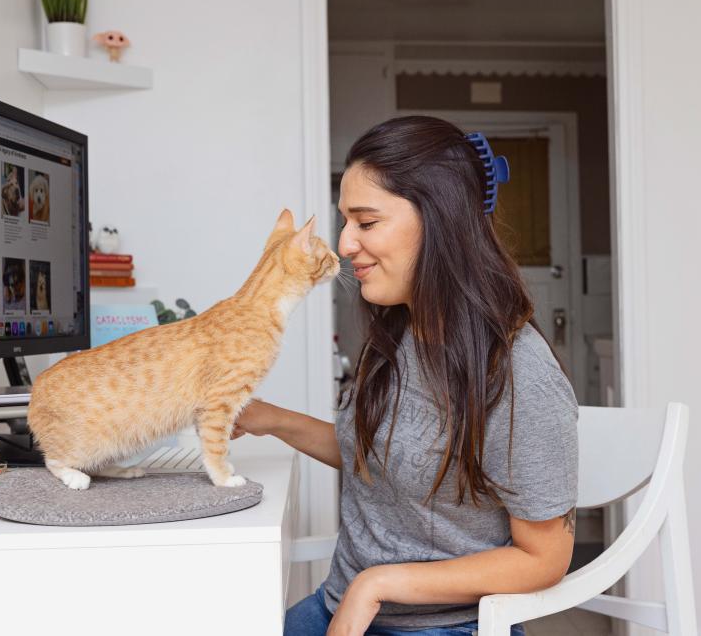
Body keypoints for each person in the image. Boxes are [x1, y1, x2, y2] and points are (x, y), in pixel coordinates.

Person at [233, 116, 578, 636]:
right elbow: (378, 457)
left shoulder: (517, 372)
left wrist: (377, 585)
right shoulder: (397, 333)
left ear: (441, 222)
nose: (345, 244)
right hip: (342, 605)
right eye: (345, 222)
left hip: (446, 625)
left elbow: (544, 559)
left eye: (366, 223)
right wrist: (268, 418)